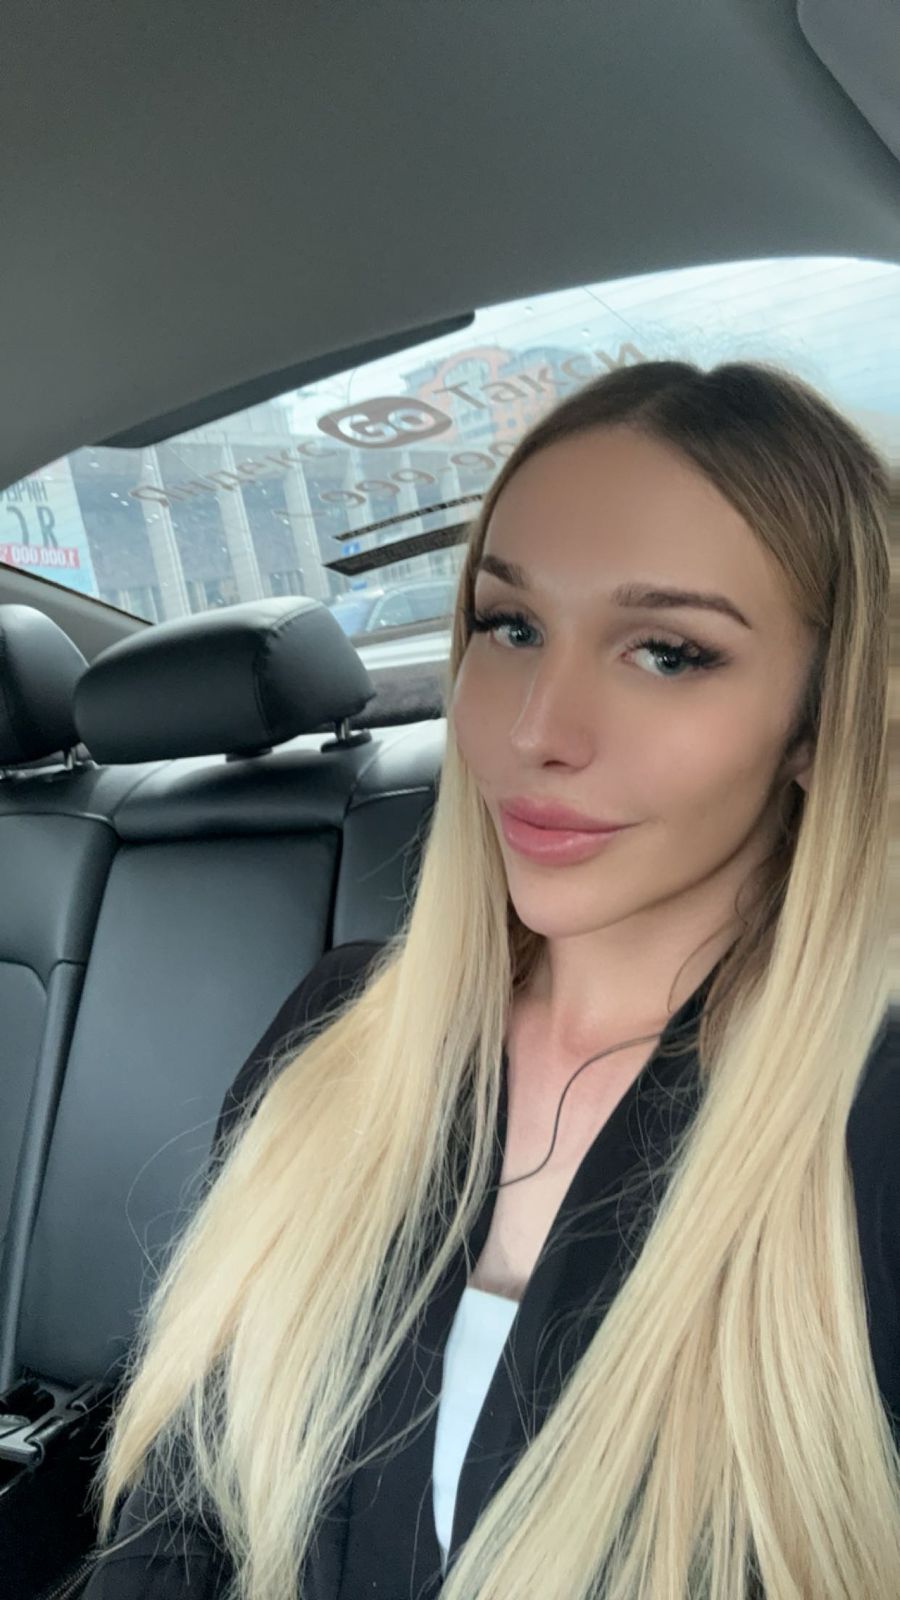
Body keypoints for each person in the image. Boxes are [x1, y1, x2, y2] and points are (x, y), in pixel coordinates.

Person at [79, 361, 899, 1600]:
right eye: (510, 626)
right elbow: (179, 1521)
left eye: (668, 651)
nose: (534, 730)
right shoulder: (338, 1039)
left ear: (819, 719)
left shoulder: (869, 1129)